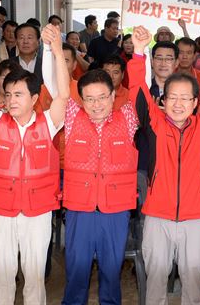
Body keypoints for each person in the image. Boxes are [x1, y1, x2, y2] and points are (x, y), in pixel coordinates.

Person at [129, 25, 200, 305]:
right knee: (155, 281)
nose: (178, 104)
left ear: (195, 102)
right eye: (172, 98)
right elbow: (137, 90)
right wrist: (138, 53)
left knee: (192, 284)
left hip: (194, 218)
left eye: (185, 98)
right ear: (163, 100)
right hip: (157, 216)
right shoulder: (155, 124)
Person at [0, 24, 68, 304]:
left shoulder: (48, 123)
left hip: (37, 213)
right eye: (8, 94)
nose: (11, 100)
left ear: (34, 99)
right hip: (2, 211)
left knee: (34, 276)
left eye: (19, 94)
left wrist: (57, 50)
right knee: (3, 274)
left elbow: (62, 94)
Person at [61, 67, 139, 305]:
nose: (96, 105)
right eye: (90, 99)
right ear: (81, 100)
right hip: (80, 209)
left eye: (102, 97)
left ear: (114, 95)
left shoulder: (127, 117)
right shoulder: (73, 117)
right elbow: (63, 89)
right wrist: (54, 47)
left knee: (111, 270)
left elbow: (139, 88)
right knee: (77, 271)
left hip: (114, 211)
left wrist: (138, 53)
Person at [174, 37, 200, 103]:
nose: (184, 57)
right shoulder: (168, 74)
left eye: (189, 53)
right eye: (181, 52)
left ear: (194, 56)